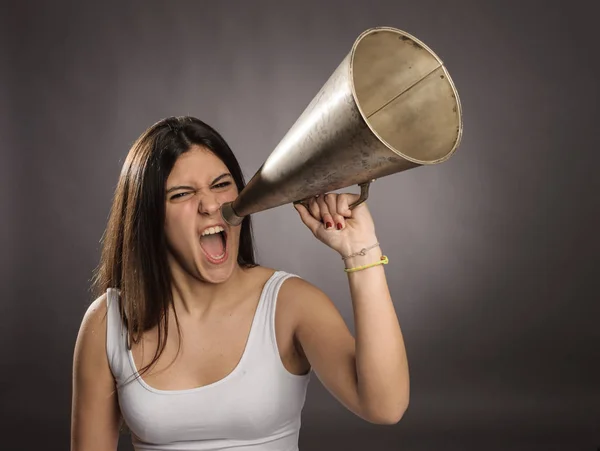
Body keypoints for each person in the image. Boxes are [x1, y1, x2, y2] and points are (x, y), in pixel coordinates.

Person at [71, 116, 409, 451]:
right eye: (182, 194)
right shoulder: (106, 321)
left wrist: (360, 251)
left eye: (221, 185)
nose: (210, 205)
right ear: (149, 218)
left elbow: (385, 406)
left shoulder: (290, 304)